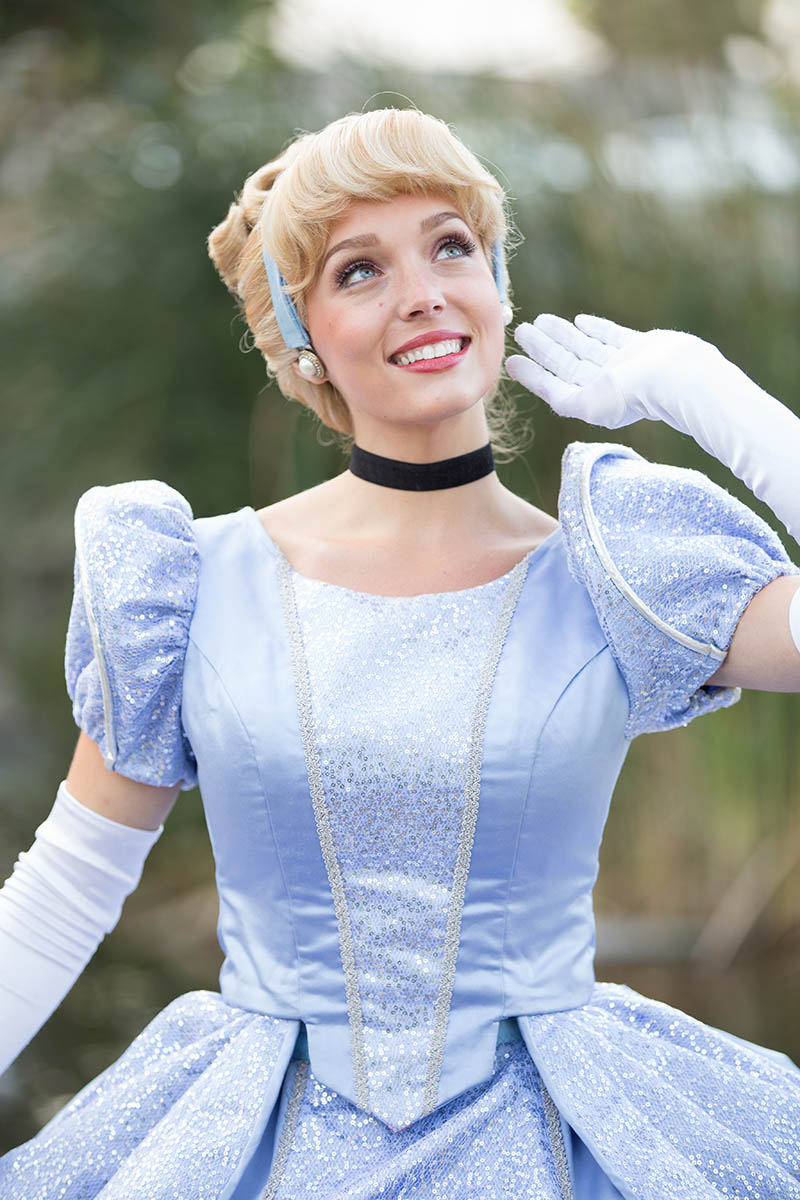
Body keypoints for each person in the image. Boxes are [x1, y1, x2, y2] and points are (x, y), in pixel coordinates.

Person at [0, 106, 799, 1200]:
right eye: (359, 270)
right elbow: (69, 887)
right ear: (302, 334)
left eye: (450, 246)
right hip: (248, 1144)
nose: (421, 291)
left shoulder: (620, 571)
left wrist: (715, 401)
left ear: (495, 283)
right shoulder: (189, 581)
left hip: (571, 1139)